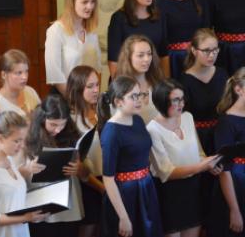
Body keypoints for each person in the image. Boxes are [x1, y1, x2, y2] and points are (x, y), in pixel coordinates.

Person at [147, 79, 221, 237]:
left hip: (193, 189)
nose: (181, 104)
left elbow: (199, 154)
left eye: (182, 99)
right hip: (169, 194)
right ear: (161, 101)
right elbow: (166, 172)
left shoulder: (187, 117)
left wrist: (211, 164)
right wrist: (202, 167)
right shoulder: (152, 129)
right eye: (175, 100)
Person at [97, 76, 163, 237]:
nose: (139, 99)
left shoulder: (138, 120)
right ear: (118, 101)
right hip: (125, 194)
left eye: (140, 94)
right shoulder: (112, 131)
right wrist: (123, 217)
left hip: (145, 187)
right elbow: (108, 178)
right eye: (133, 96)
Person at [0, 111, 48, 237]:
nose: (22, 146)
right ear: (0, 139)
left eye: (23, 140)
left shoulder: (9, 160)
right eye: (17, 141)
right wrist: (25, 218)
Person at [26, 94, 85, 237]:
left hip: (69, 203)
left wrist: (79, 168)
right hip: (43, 203)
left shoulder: (70, 133)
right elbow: (17, 170)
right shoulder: (29, 136)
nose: (58, 130)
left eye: (62, 124)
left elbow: (84, 172)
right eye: (53, 124)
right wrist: (29, 168)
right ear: (42, 119)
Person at [155, 0, 209, 79]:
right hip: (172, 63)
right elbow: (160, 42)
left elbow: (206, 32)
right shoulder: (159, 1)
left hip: (198, 60)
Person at [108, 0, 169, 78]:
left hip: (153, 82)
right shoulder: (118, 19)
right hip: (127, 83)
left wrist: (165, 86)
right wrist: (123, 90)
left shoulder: (160, 16)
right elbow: (113, 61)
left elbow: (164, 56)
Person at [45, 0, 102, 96]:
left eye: (93, 2)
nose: (90, 6)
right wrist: (74, 101)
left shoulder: (91, 33)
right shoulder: (55, 31)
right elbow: (54, 75)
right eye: (85, 2)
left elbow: (97, 70)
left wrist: (93, 98)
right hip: (64, 99)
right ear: (71, 2)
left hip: (87, 100)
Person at [66, 65, 104, 237]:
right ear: (77, 88)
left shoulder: (101, 112)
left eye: (97, 85)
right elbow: (76, 164)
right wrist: (102, 189)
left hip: (105, 179)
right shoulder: (71, 120)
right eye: (90, 86)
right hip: (86, 185)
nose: (96, 90)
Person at [208, 67, 245, 237]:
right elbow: (225, 170)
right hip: (237, 186)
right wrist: (234, 210)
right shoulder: (226, 122)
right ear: (239, 89)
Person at [181, 28, 228, 155]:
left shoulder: (222, 74)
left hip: (222, 135)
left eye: (215, 50)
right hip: (197, 138)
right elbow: (183, 120)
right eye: (206, 50)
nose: (212, 55)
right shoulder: (184, 81)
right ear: (194, 51)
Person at [115, 34, 164, 124]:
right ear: (128, 58)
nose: (147, 59)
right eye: (140, 55)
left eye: (149, 54)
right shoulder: (120, 89)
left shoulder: (158, 83)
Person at [0, 49, 40, 127]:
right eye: (19, 73)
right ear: (4, 75)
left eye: (26, 71)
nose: (24, 77)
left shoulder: (30, 91)